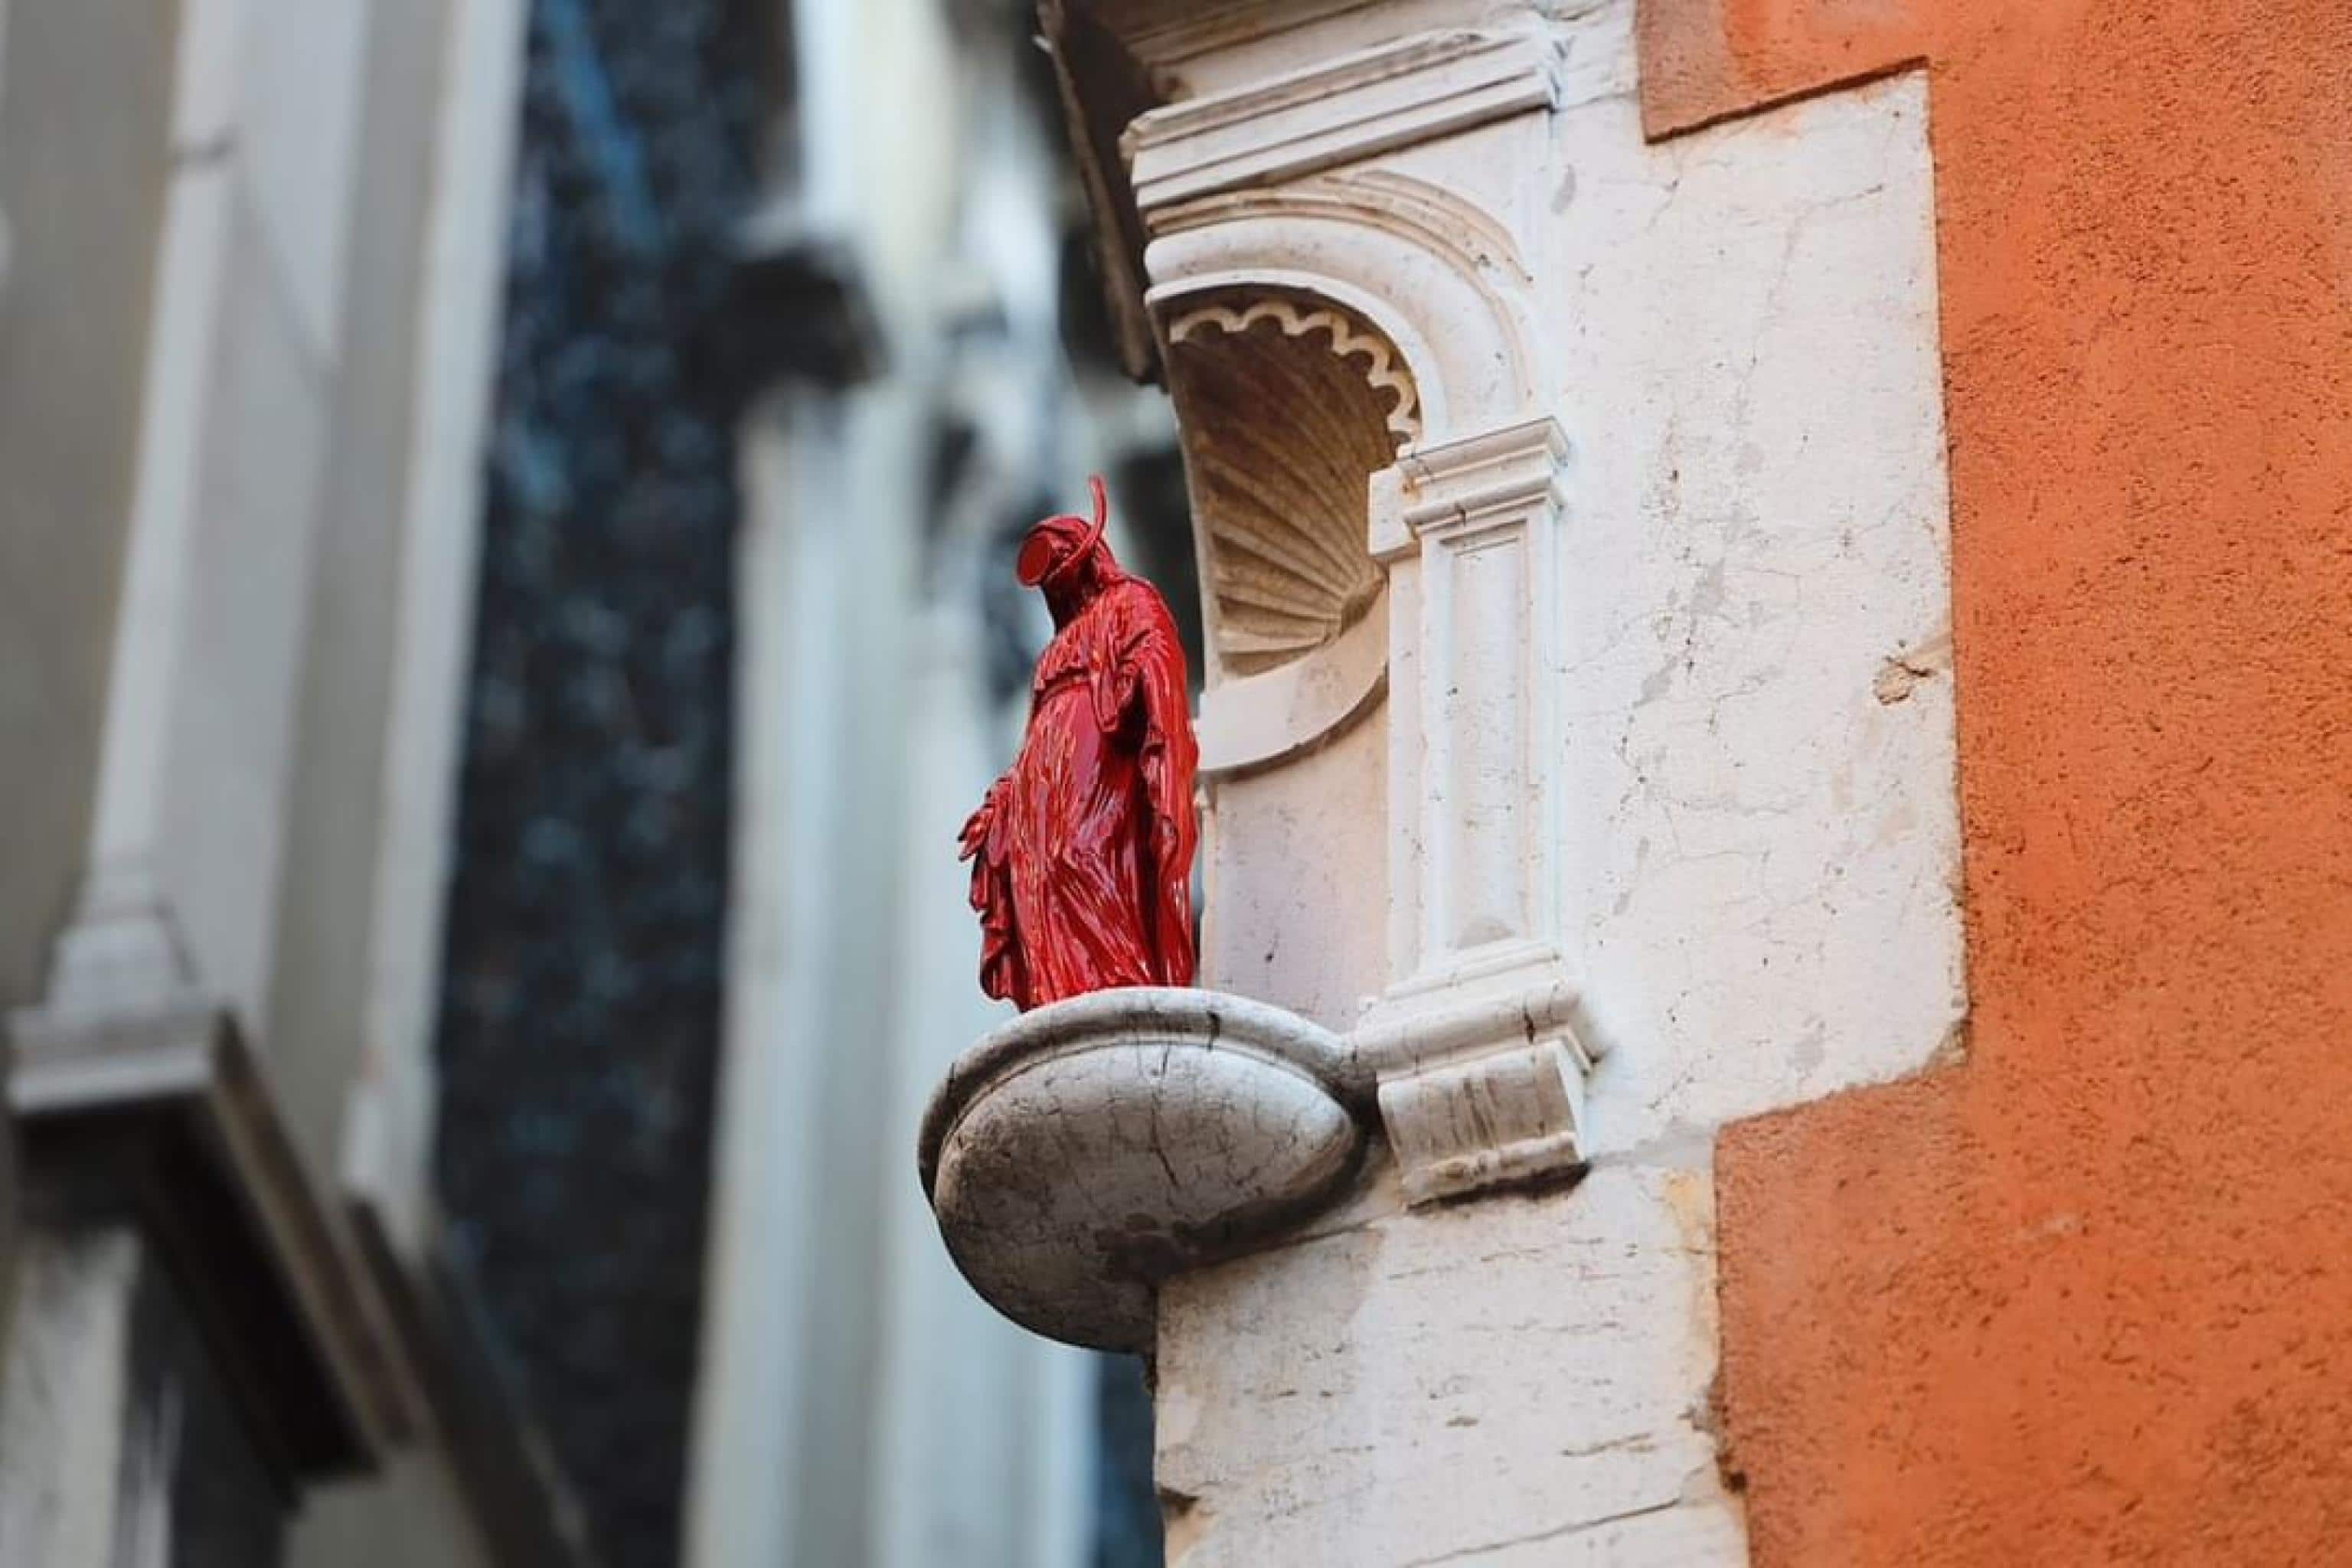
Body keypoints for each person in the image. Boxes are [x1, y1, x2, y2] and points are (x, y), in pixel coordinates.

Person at [959, 477, 1198, 1010]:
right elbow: (1035, 724)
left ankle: (1115, 979)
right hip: (1045, 769)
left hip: (1095, 746)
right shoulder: (1058, 646)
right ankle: (1060, 988)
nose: (1058, 591)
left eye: (1062, 575)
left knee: (1082, 853)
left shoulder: (1129, 601)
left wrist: (1130, 683)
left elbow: (1156, 652)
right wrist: (1008, 793)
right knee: (1037, 871)